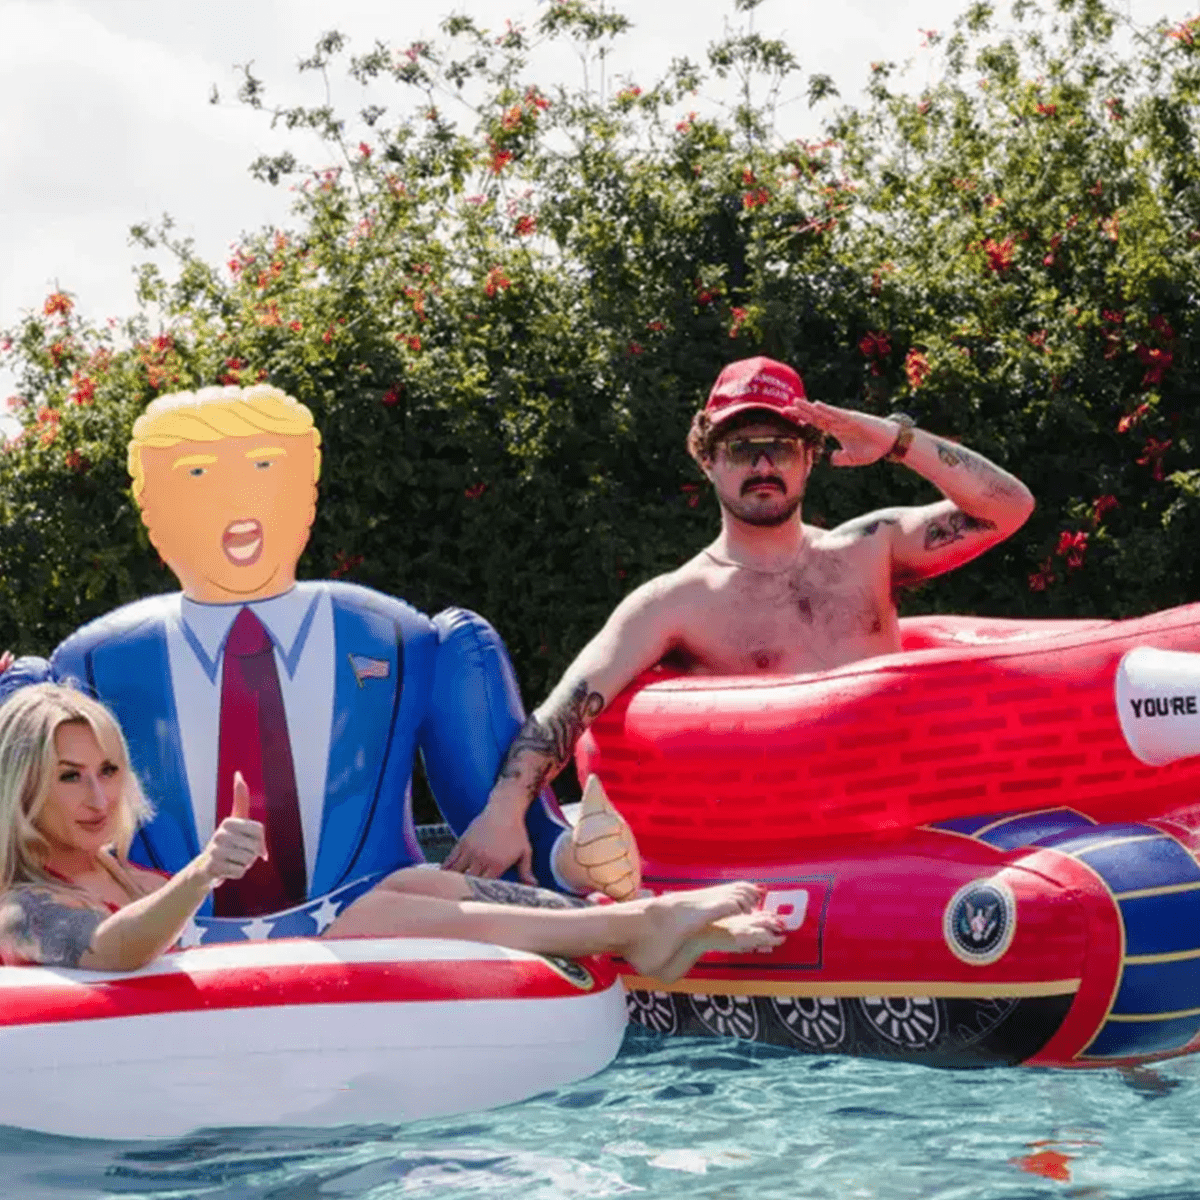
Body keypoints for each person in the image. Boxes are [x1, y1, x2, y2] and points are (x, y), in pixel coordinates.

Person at [36, 383, 638, 942]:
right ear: (152, 512)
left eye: (264, 468)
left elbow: (492, 810)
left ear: (307, 496)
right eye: (197, 474)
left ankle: (623, 916)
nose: (236, 499)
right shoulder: (92, 665)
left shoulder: (399, 637)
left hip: (375, 917)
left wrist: (564, 855)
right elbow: (35, 833)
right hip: (175, 936)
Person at [445, 354, 1036, 879]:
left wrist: (897, 440)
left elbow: (1009, 508)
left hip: (909, 838)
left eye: (781, 446)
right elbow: (567, 708)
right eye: (739, 448)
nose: (762, 464)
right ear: (707, 460)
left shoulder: (869, 550)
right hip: (778, 860)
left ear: (810, 457)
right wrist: (503, 813)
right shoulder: (674, 603)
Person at [0, 682, 786, 979]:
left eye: (107, 769)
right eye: (69, 776)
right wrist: (204, 871)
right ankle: (638, 927)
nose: (97, 795)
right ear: (21, 786)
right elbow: (113, 950)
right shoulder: (21, 905)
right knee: (370, 912)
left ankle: (629, 923)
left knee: (411, 879)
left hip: (262, 959)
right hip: (254, 999)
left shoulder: (113, 868)